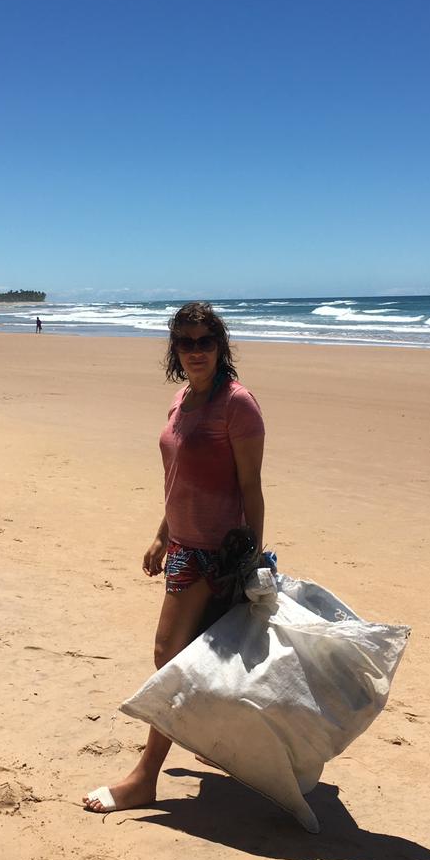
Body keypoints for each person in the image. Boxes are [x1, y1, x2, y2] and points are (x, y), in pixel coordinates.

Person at [84, 300, 265, 813]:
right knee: (202, 662)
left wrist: (250, 559)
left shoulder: (238, 405)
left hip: (217, 555)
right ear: (174, 349)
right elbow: (178, 478)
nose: (195, 351)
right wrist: (163, 535)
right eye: (185, 342)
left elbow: (252, 488)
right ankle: (214, 742)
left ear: (220, 346)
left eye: (205, 341)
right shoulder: (181, 400)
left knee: (169, 656)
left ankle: (145, 778)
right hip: (182, 547)